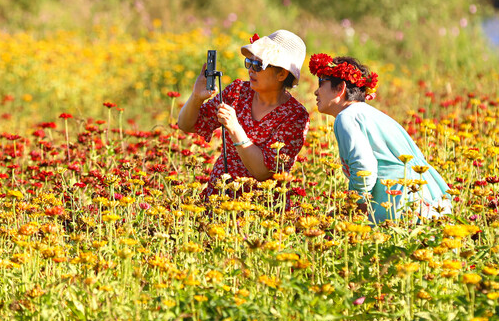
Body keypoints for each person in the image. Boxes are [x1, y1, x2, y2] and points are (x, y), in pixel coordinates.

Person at [309, 53, 451, 223]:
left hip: (400, 204)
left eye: (321, 83)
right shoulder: (371, 114)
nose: (316, 91)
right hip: (430, 200)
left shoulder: (346, 116)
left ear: (340, 88)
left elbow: (364, 168)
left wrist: (355, 210)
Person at [177, 30, 310, 198]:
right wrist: (196, 97)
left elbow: (263, 172)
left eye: (258, 65)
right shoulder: (239, 91)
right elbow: (186, 125)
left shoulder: (295, 116)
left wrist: (234, 128)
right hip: (219, 198)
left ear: (282, 74)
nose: (250, 70)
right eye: (249, 62)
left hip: (260, 208)